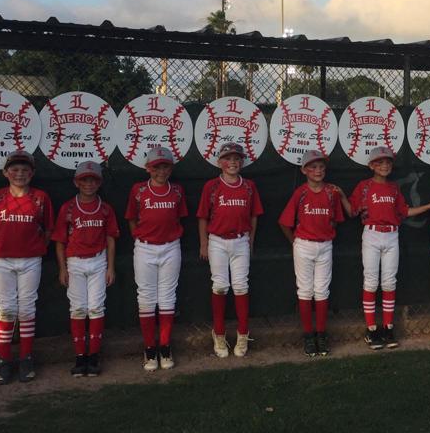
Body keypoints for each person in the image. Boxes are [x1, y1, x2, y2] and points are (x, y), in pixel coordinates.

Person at [339, 145, 430, 350]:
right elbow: (352, 212)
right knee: (371, 281)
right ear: (372, 166)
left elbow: (405, 211)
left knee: (389, 282)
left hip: (392, 234)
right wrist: (341, 196)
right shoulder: (364, 186)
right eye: (380, 162)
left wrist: (428, 207)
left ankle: (388, 327)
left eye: (387, 162)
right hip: (372, 234)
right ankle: (371, 330)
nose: (384, 165)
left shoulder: (393, 188)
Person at [0, 150, 53, 384]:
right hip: (2, 260)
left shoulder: (40, 197)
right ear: (5, 172)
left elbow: (49, 229)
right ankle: (3, 361)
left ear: (32, 173)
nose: (19, 173)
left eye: (24, 170)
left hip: (30, 259)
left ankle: (26, 358)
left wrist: (39, 247)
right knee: (7, 308)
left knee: (27, 308)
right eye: (15, 169)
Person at [197, 142, 263, 359]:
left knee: (241, 286)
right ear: (220, 162)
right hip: (216, 240)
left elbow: (254, 215)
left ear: (241, 162)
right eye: (228, 158)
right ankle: (219, 334)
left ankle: (243, 334)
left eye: (236, 159)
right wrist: (204, 243)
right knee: (220, 286)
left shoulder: (249, 186)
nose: (232, 162)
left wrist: (251, 240)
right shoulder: (212, 186)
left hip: (240, 239)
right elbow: (203, 217)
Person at [52, 161, 119, 377]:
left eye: (93, 180)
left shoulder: (105, 208)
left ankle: (94, 356)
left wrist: (111, 267)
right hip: (75, 262)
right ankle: (80, 356)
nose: (88, 184)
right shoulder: (68, 208)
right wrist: (63, 268)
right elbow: (60, 241)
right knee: (78, 308)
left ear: (99, 183)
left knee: (96, 308)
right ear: (76, 182)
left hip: (98, 261)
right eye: (84, 180)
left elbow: (110, 239)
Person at [278, 150, 345, 358]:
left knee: (322, 290)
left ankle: (321, 334)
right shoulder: (301, 193)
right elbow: (284, 222)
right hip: (304, 245)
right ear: (304, 170)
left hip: (325, 245)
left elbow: (335, 219)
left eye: (321, 167)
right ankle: (308, 336)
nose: (318, 170)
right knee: (305, 290)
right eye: (313, 167)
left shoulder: (331, 192)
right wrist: (295, 241)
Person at [125, 146, 187, 371]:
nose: (161, 171)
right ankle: (149, 348)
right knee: (146, 298)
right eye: (156, 166)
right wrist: (138, 236)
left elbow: (180, 218)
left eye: (165, 166)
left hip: (171, 247)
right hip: (145, 248)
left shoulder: (177, 190)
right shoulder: (138, 190)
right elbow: (131, 218)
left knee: (168, 297)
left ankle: (165, 346)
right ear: (148, 168)